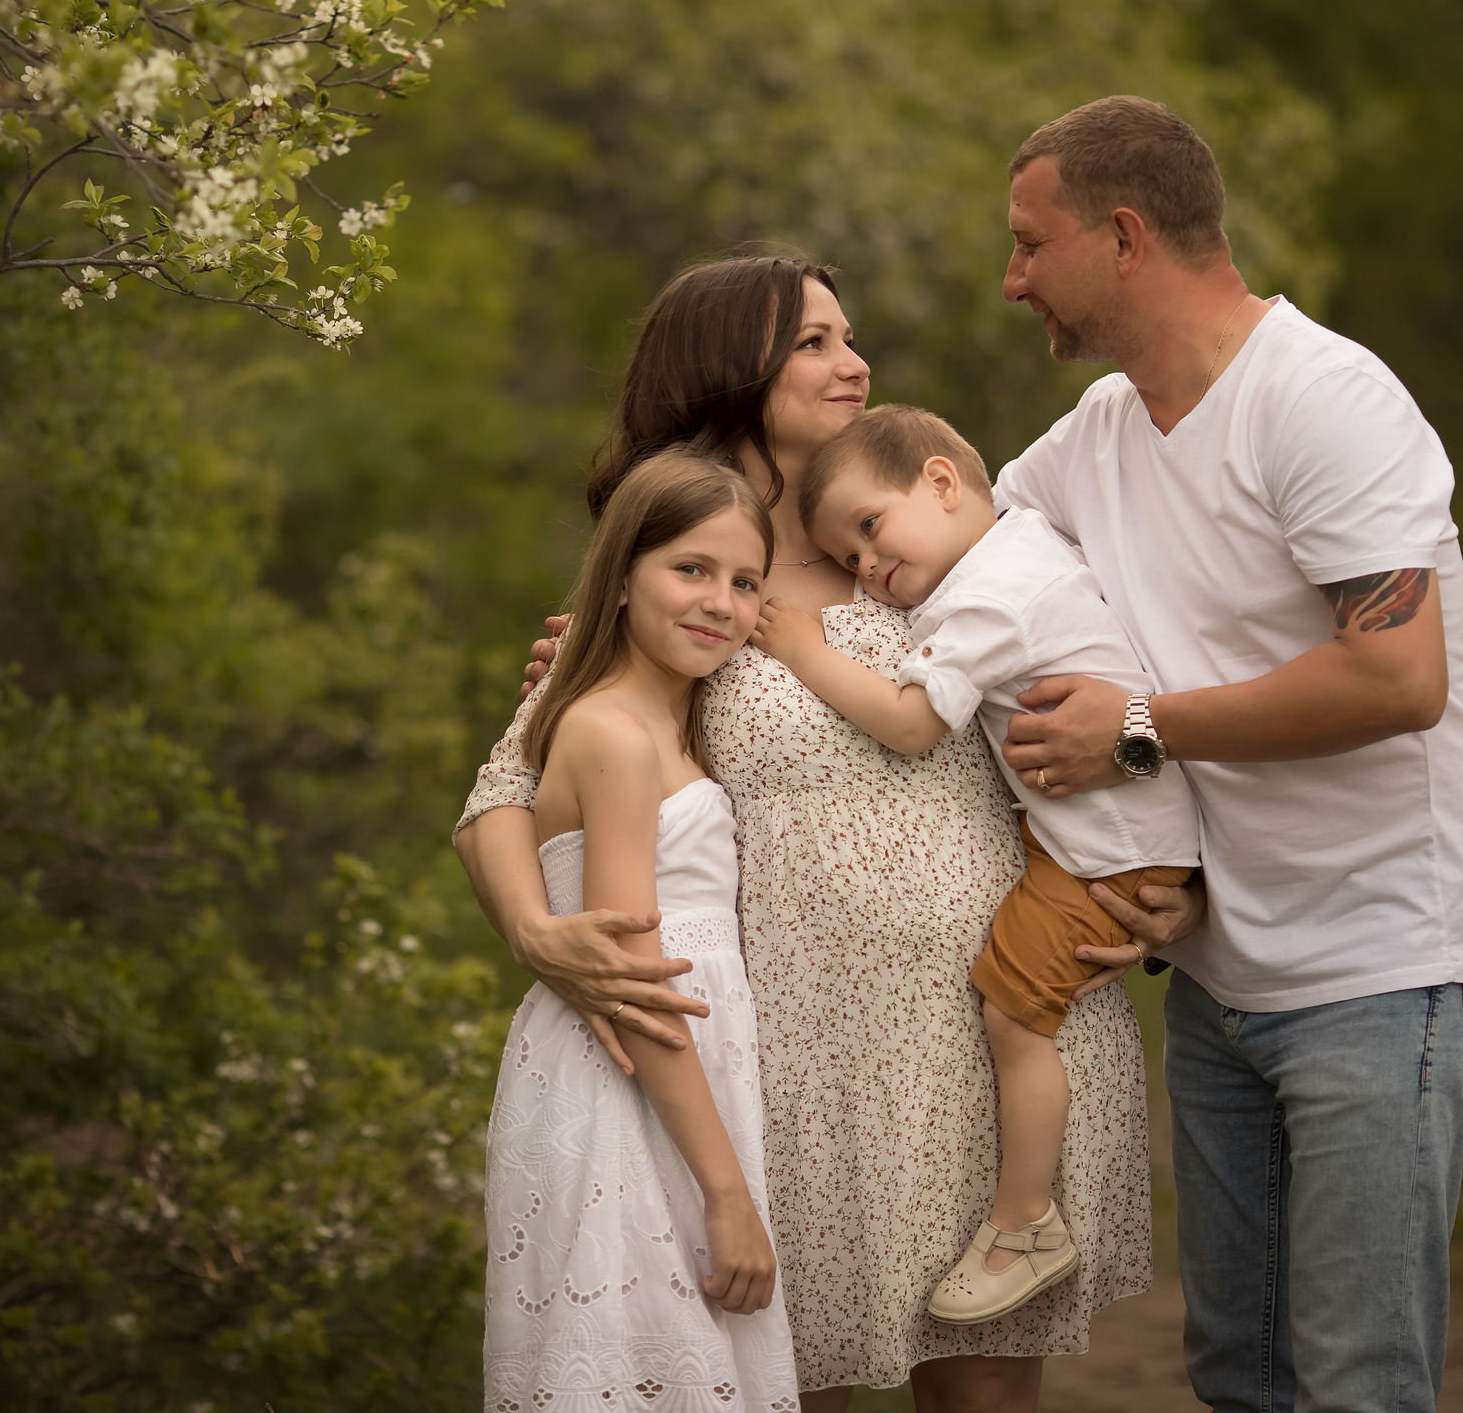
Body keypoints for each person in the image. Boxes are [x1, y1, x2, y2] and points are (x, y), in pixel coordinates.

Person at [456, 254, 1175, 1413]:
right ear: (728, 367)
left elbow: (1117, 700)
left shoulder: (937, 540)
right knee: (792, 1383)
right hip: (790, 1061)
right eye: (814, 342)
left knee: (985, 1394)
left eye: (849, 337)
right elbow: (507, 785)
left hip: (996, 1022)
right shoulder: (691, 573)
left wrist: (1161, 878)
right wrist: (537, 932)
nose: (855, 363)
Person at [990, 96, 1463, 1413]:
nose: (1011, 279)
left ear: (1124, 235)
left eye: (1030, 243)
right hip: (1217, 974)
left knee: (1354, 1380)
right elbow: (932, 559)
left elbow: (1396, 676)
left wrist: (1139, 723)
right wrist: (654, 623)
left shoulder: (1324, 399)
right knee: (1242, 1371)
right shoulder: (1098, 433)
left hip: (1381, 964)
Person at [751, 404, 1200, 1327]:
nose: (867, 566)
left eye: (870, 527)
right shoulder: (1020, 543)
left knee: (1012, 1012)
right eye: (847, 558)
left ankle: (1025, 1221)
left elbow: (912, 724)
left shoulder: (991, 596)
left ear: (942, 482)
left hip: (1106, 854)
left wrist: (803, 649)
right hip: (1109, 834)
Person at [484, 447, 799, 1412]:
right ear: (621, 576)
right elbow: (635, 984)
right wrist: (727, 1194)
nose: (719, 602)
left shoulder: (672, 722)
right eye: (690, 568)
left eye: (744, 581)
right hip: (629, 1078)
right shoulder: (615, 734)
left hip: (682, 1078)